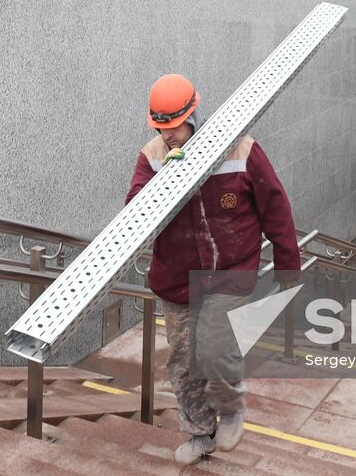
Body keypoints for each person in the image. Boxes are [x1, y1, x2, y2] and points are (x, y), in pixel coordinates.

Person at [126, 73, 301, 466]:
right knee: (184, 363)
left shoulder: (241, 148)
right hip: (176, 276)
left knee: (216, 348)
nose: (167, 134)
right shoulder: (153, 156)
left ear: (193, 113)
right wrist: (165, 179)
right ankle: (199, 433)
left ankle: (232, 407)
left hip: (231, 270)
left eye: (173, 126)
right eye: (160, 127)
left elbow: (275, 206)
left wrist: (288, 263)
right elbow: (135, 210)